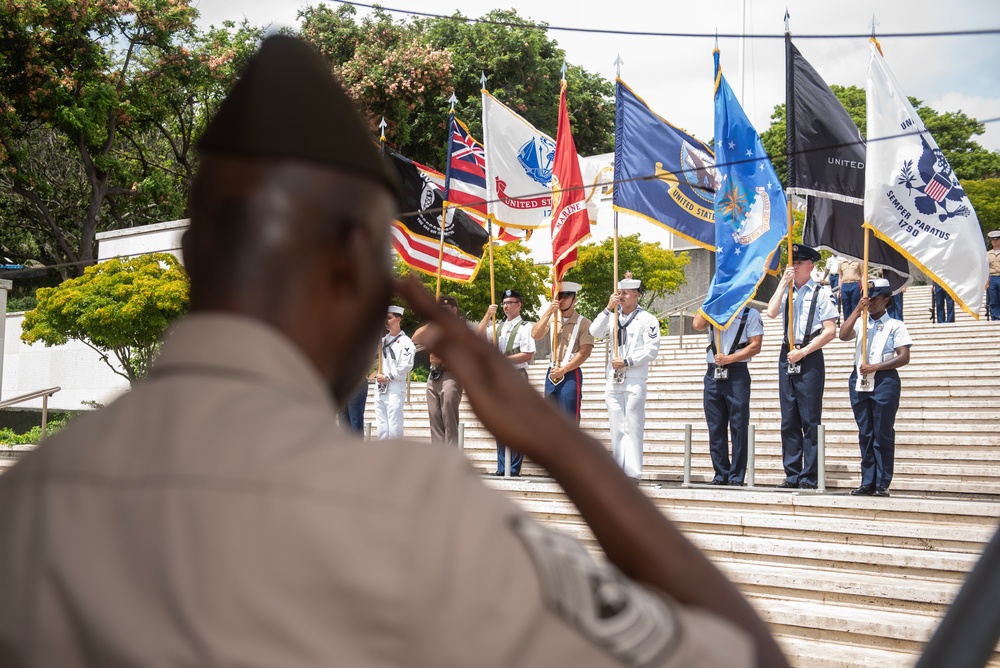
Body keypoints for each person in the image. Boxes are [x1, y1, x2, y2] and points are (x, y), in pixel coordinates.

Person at [0, 36, 790, 668]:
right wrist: (557, 447)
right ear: (354, 260)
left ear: (193, 250)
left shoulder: (28, 505)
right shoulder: (419, 513)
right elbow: (744, 655)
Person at [766, 244, 838, 490]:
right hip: (787, 353)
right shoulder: (786, 291)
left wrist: (804, 351)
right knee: (789, 419)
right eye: (792, 262)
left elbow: (830, 331)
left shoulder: (821, 292)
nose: (794, 266)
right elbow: (772, 313)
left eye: (799, 263)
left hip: (809, 355)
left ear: (811, 266)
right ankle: (792, 473)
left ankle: (810, 476)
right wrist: (780, 284)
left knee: (810, 418)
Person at [839, 279, 913, 497]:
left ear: (886, 299)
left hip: (883, 380)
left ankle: (882, 482)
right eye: (868, 298)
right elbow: (843, 335)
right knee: (865, 433)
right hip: (860, 380)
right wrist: (856, 309)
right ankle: (867, 480)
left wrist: (876, 366)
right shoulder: (862, 322)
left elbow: (904, 357)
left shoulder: (895, 325)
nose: (871, 303)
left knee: (882, 432)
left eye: (875, 298)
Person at [589, 278, 661, 481]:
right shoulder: (613, 317)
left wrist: (628, 361)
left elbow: (651, 350)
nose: (621, 297)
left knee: (633, 426)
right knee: (617, 426)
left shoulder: (647, 319)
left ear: (636, 294)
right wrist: (607, 309)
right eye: (618, 293)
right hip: (613, 378)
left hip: (634, 377)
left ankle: (632, 473)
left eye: (625, 293)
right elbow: (594, 332)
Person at [692, 307, 764, 486]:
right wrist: (710, 301)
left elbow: (755, 346)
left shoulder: (750, 313)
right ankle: (720, 473)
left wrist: (730, 359)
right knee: (715, 426)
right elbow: (697, 324)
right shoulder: (713, 310)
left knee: (738, 425)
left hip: (737, 371)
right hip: (713, 372)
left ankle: (736, 476)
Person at [477, 288, 536, 476]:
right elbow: (479, 335)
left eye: (509, 302)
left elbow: (528, 354)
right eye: (504, 303)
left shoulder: (525, 327)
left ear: (519, 305)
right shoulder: (497, 326)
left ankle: (513, 467)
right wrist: (488, 315)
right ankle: (502, 467)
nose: (505, 306)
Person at [530, 281, 594, 425]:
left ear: (574, 299)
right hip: (552, 372)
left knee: (569, 419)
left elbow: (585, 352)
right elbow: (535, 334)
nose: (562, 300)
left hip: (570, 372)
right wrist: (548, 312)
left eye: (566, 296)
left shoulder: (584, 323)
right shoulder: (552, 319)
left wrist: (563, 370)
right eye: (559, 296)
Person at [412, 294, 464, 445]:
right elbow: (415, 338)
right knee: (434, 417)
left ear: (454, 310)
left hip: (450, 375)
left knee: (449, 419)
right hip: (433, 375)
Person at [374, 305, 414, 440]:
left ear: (398, 319)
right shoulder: (382, 340)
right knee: (382, 426)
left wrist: (388, 377)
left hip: (394, 388)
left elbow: (406, 365)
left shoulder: (406, 342)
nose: (386, 321)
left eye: (389, 318)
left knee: (394, 426)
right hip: (380, 388)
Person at [838, 256, 864, 320]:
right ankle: (847, 325)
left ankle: (856, 324)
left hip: (855, 283)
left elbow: (863, 275)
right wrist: (839, 290)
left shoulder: (858, 261)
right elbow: (840, 277)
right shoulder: (842, 262)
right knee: (845, 306)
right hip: (845, 284)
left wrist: (864, 287)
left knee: (855, 306)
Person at [988, 230, 1000, 320]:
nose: (995, 241)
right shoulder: (988, 254)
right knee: (993, 299)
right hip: (993, 278)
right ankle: (995, 317)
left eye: (997, 239)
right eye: (993, 240)